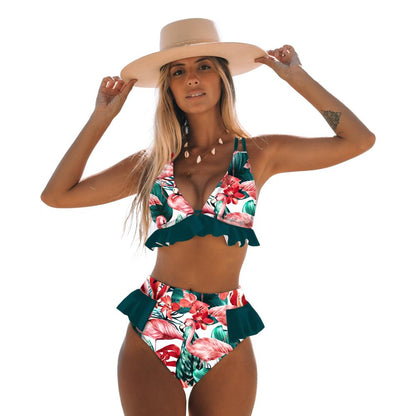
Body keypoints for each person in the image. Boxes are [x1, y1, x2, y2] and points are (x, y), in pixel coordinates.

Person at [41, 17, 375, 416]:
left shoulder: (259, 154)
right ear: (168, 88)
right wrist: (101, 118)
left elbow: (358, 140)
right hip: (157, 318)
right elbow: (56, 195)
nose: (192, 79)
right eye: (178, 72)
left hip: (224, 322)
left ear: (223, 78)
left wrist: (296, 78)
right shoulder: (151, 164)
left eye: (203, 66)